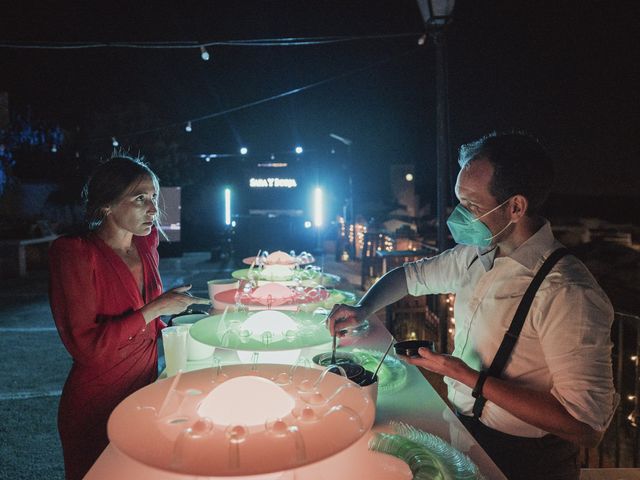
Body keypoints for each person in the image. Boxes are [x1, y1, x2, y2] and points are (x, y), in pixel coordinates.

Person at [328, 132, 616, 480]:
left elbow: (585, 425)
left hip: (527, 460)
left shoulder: (568, 292)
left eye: (473, 207)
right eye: (459, 201)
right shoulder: (475, 255)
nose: (460, 215)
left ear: (516, 207)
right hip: (465, 433)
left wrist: (465, 376)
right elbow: (409, 276)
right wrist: (363, 308)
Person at [49, 155, 209, 480]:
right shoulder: (76, 254)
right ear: (106, 205)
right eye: (140, 199)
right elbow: (89, 349)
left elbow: (150, 324)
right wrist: (157, 308)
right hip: (95, 401)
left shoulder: (146, 244)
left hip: (142, 390)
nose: (153, 209)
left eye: (153, 197)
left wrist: (188, 314)